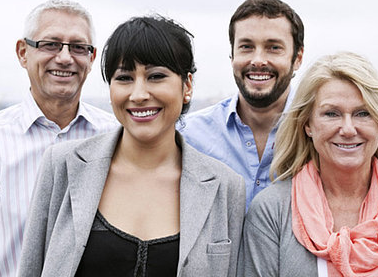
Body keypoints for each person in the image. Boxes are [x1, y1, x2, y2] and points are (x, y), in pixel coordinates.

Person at [18, 15, 246, 277]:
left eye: (156, 76)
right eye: (124, 78)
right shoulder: (63, 166)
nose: (138, 94)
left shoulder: (225, 187)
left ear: (187, 86)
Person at [0, 0, 118, 277]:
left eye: (78, 47)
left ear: (91, 58)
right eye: (50, 44)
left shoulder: (115, 138)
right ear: (23, 53)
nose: (64, 57)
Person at [238, 52, 378, 276]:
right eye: (331, 113)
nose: (348, 129)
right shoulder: (270, 212)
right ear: (307, 125)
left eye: (363, 113)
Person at [178, 0, 304, 206]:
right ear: (232, 56)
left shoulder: (320, 136)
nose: (258, 60)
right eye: (246, 47)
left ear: (297, 58)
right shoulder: (189, 137)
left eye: (274, 48)